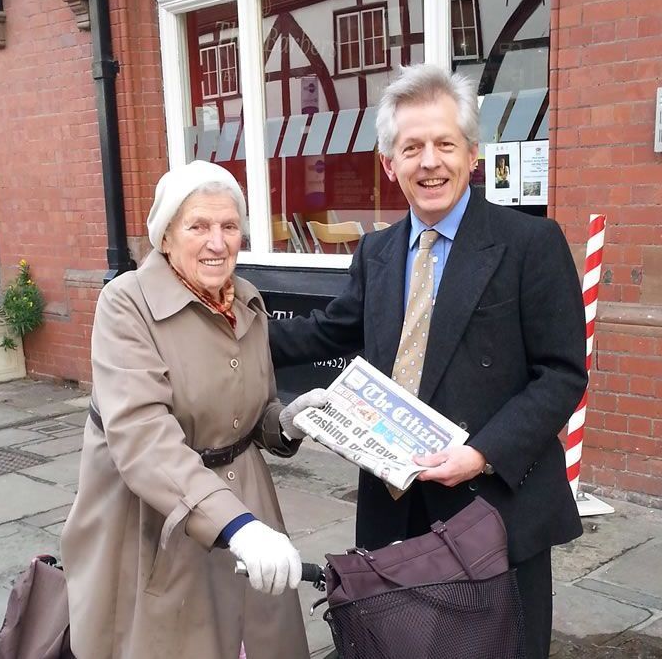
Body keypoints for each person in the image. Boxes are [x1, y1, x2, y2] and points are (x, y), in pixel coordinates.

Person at [269, 64, 587, 658]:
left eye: (444, 143)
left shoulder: (531, 245)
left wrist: (482, 454)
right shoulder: (379, 251)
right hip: (395, 507)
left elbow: (562, 373)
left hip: (493, 510)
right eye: (411, 147)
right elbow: (326, 333)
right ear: (390, 164)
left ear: (472, 153)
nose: (429, 161)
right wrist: (228, 323)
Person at [62, 160, 315, 659]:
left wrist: (286, 422)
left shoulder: (244, 301)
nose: (216, 242)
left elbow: (245, 417)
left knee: (258, 636)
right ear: (166, 236)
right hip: (152, 515)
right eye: (198, 226)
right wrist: (237, 527)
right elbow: (142, 436)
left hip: (245, 502)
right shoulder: (126, 303)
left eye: (228, 226)